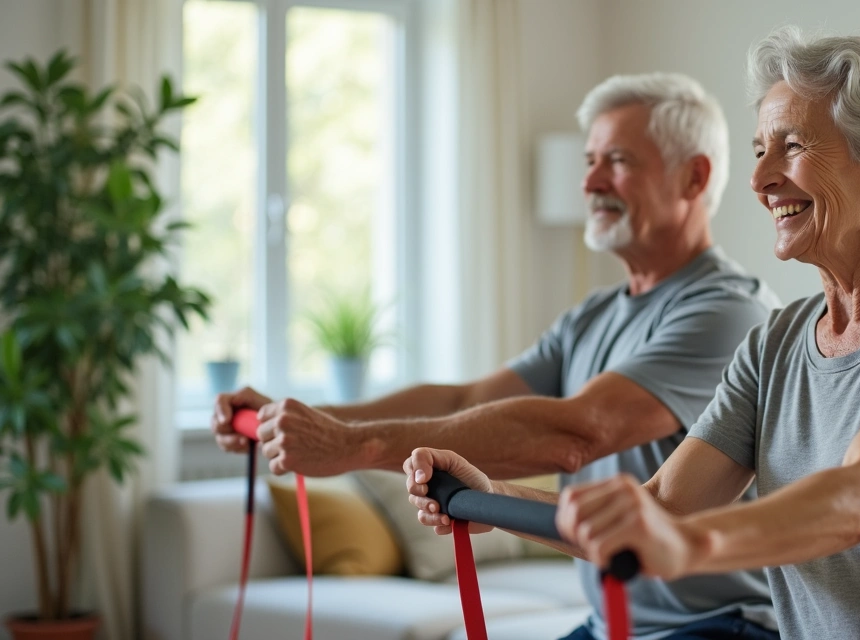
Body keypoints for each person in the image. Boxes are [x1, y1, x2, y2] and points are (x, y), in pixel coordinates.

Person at [406, 26, 860, 639]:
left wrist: (688, 546)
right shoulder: (774, 345)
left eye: (792, 146)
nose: (758, 179)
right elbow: (662, 506)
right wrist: (496, 501)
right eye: (758, 151)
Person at [212, 73, 782, 639]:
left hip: (721, 626)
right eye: (589, 161)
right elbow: (469, 400)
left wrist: (348, 446)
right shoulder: (595, 316)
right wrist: (298, 419)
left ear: (694, 176)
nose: (590, 181)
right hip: (614, 624)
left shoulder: (726, 312)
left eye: (617, 160)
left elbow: (577, 433)